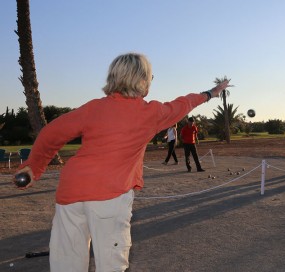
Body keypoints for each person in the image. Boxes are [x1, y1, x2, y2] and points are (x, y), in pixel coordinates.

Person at [13, 53, 231, 271]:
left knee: (67, 261)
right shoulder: (152, 113)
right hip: (110, 196)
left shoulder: (93, 107)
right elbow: (184, 104)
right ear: (142, 80)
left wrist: (33, 167)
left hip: (70, 192)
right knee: (111, 263)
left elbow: (51, 133)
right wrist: (210, 94)